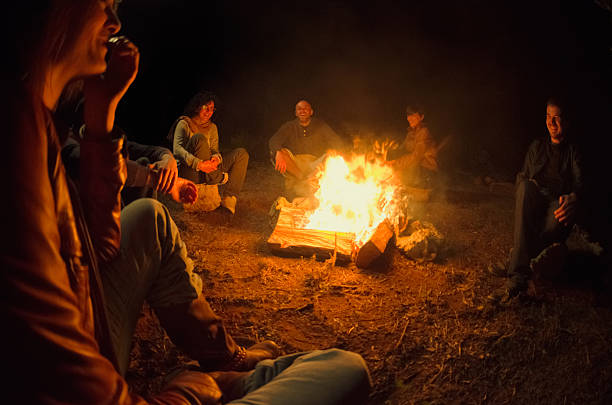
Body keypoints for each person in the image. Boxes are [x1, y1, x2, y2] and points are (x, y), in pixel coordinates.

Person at [1, 1, 370, 403]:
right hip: (82, 363)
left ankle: (223, 357)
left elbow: (101, 247)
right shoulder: (13, 129)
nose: (115, 22)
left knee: (148, 216)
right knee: (344, 368)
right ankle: (219, 376)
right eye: (104, 4)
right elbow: (58, 377)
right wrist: (194, 392)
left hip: (89, 318)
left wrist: (102, 110)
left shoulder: (43, 120)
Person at [502, 97, 584, 298]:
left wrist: (575, 197)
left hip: (555, 206)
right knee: (525, 187)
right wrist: (525, 189)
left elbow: (581, 183)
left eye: (556, 118)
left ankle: (518, 258)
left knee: (560, 210)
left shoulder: (573, 151)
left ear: (567, 122)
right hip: (535, 201)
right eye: (548, 116)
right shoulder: (537, 147)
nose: (551, 123)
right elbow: (522, 176)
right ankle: (519, 273)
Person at [168, 91, 249, 220]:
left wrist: (216, 158)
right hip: (190, 171)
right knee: (199, 138)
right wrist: (199, 164)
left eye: (212, 109)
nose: (209, 112)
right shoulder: (184, 123)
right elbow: (177, 150)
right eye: (205, 108)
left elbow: (214, 149)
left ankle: (229, 198)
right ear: (196, 107)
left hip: (208, 170)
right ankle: (216, 177)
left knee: (241, 154)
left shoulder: (212, 127)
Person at [268, 100, 345, 197]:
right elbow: (274, 140)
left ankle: (311, 181)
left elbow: (337, 141)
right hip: (295, 164)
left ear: (311, 112)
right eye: (299, 109)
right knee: (281, 151)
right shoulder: (289, 126)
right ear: (296, 113)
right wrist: (278, 152)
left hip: (315, 165)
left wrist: (335, 151)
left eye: (306, 109)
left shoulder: (320, 125)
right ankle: (303, 179)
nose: (302, 111)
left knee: (332, 155)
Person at [388, 104, 440, 190]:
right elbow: (402, 150)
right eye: (408, 115)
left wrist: (395, 163)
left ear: (421, 117)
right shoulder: (411, 133)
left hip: (426, 172)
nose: (409, 118)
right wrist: (386, 153)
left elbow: (416, 157)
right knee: (392, 154)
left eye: (413, 115)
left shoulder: (424, 132)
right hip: (416, 169)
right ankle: (394, 183)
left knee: (405, 166)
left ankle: (413, 189)